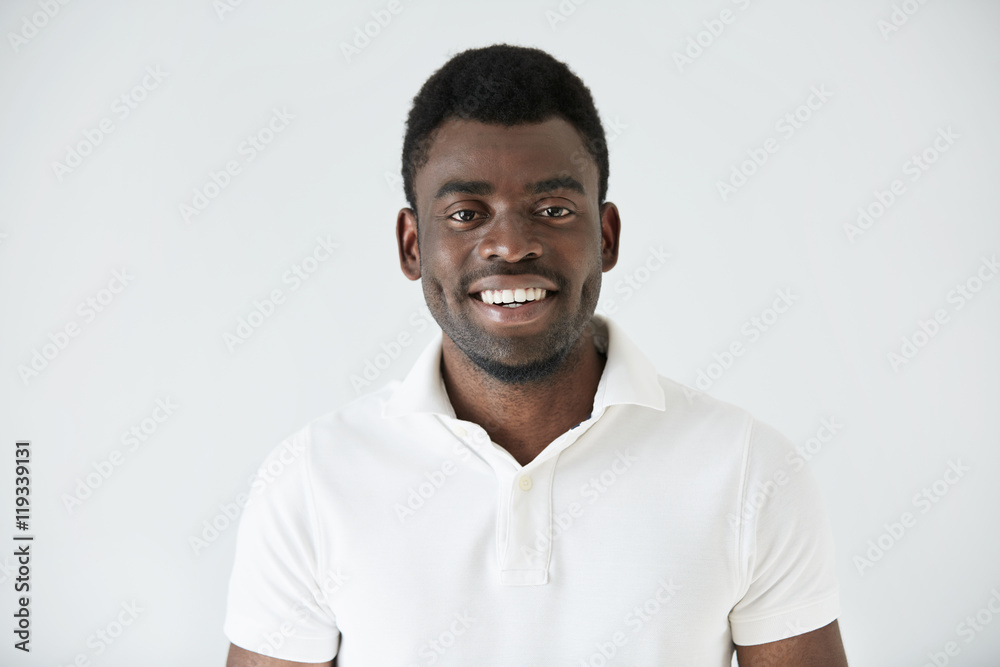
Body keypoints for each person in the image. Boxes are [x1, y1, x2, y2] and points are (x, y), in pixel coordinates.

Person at [223, 44, 849, 666]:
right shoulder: (310, 480)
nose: (511, 245)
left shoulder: (747, 469)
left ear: (605, 236)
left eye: (553, 210)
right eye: (467, 214)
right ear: (413, 246)